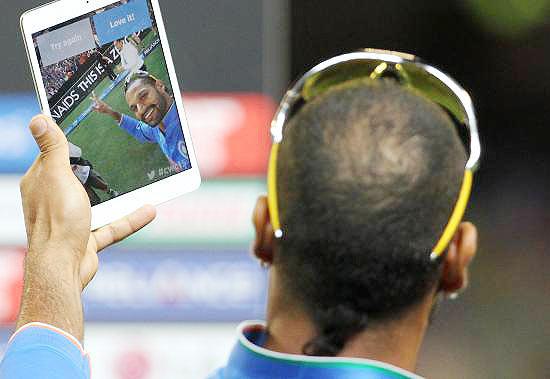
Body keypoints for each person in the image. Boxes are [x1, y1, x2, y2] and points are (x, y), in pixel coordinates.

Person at [0, 51, 479, 378]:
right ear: (458, 259)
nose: (143, 108)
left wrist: (51, 277)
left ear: (263, 230)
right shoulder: (157, 131)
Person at [91, 71, 191, 170]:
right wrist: (109, 111)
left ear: (160, 86)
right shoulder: (156, 128)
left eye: (143, 96)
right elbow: (136, 129)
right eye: (134, 108)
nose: (141, 110)